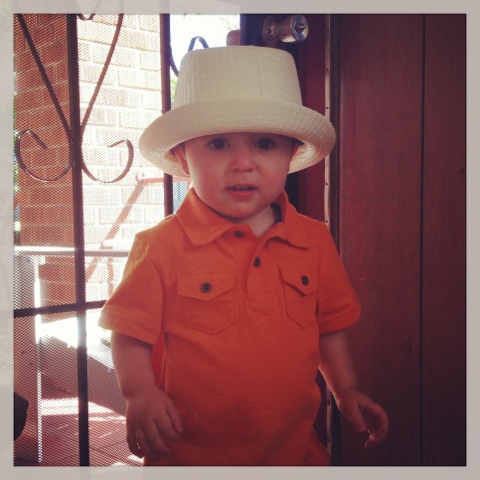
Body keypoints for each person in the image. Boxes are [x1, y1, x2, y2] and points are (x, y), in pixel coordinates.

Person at [98, 45, 389, 466]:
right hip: (190, 457)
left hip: (294, 455)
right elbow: (129, 333)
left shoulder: (314, 241)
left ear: (291, 154)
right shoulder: (160, 246)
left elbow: (328, 330)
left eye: (264, 143)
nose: (242, 163)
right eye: (218, 144)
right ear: (182, 157)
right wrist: (139, 392)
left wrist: (345, 390)